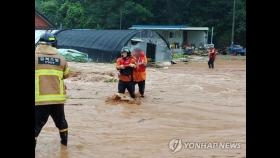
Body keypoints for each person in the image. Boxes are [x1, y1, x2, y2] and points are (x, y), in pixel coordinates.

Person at [35, 33, 70, 148]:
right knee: (61, 122)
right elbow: (66, 75)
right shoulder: (61, 59)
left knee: (36, 126)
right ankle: (64, 147)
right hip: (57, 99)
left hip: (40, 99)